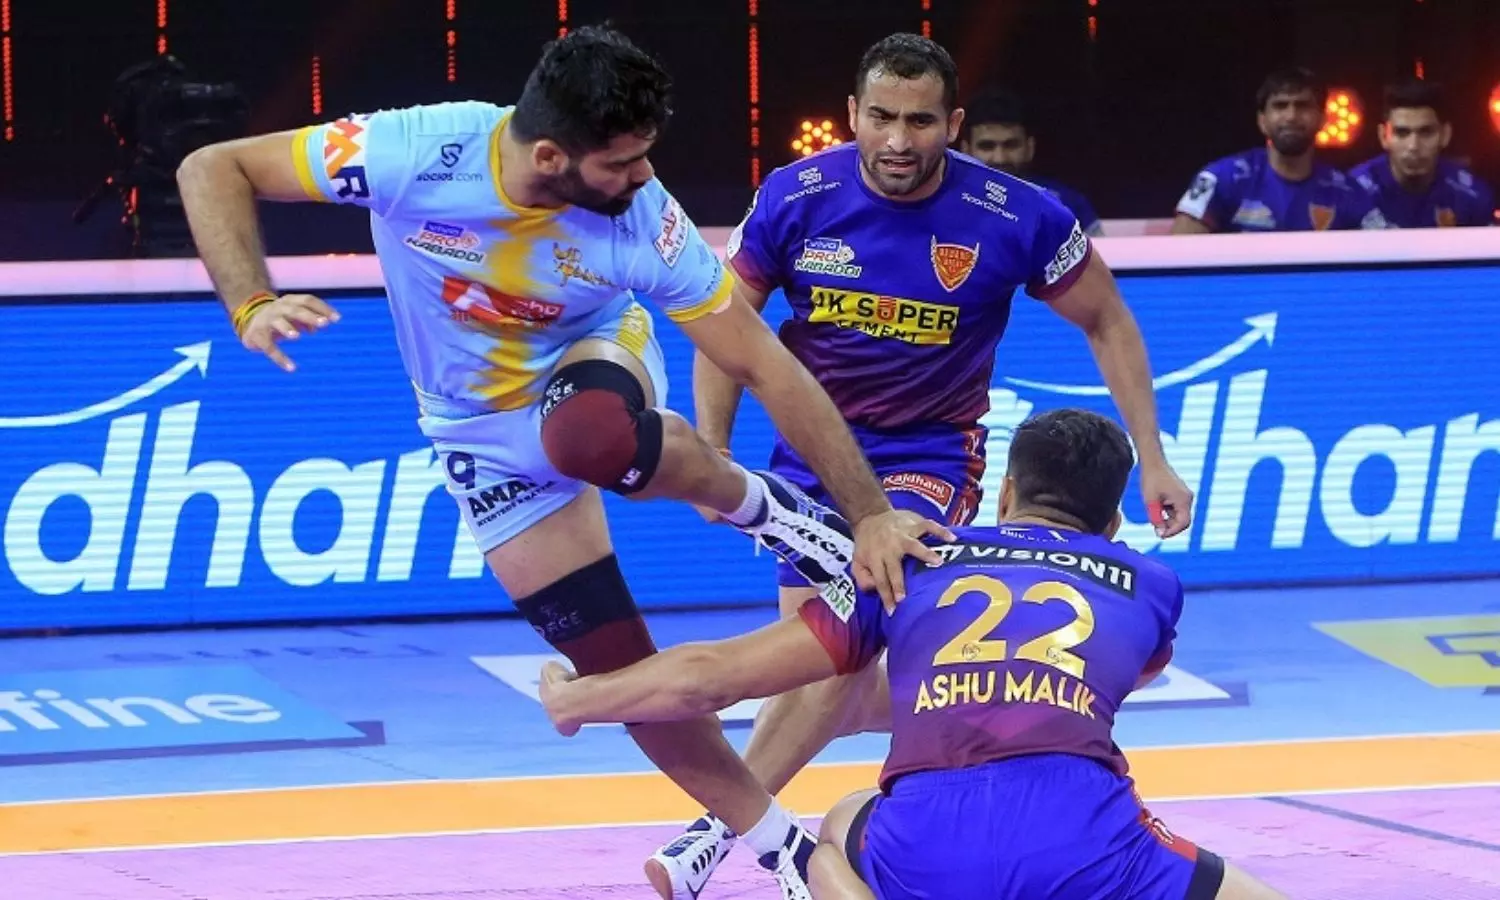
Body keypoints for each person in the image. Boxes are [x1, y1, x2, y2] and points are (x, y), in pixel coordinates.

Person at [174, 24, 950, 900]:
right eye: (623, 162)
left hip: (591, 366)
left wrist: (869, 513)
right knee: (619, 674)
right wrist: (251, 302)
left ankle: (768, 512)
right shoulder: (414, 153)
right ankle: (780, 850)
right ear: (551, 156)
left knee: (583, 436)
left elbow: (765, 363)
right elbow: (212, 167)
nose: (645, 177)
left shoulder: (644, 220)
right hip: (471, 430)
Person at [653, 31, 1196, 899]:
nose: (898, 140)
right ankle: (962, 722)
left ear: (954, 123)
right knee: (836, 674)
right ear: (852, 115)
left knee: (845, 640)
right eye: (881, 118)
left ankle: (717, 834)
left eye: (919, 121)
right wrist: (715, 456)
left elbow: (1107, 319)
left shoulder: (1018, 215)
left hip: (928, 458)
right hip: (809, 455)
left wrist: (1155, 459)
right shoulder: (796, 196)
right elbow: (728, 328)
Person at [540, 408, 1287, 900]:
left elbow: (711, 680)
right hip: (1086, 844)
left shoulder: (910, 560)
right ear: (1114, 522)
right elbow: (1127, 672)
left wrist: (579, 700)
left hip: (924, 845)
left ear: (1005, 495)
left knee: (836, 828)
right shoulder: (1152, 583)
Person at [1173, 67, 1387, 233]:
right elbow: (1181, 252)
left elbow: (1386, 251)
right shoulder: (1221, 178)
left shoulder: (1346, 191)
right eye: (1280, 106)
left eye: (1302, 105)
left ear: (1322, 119)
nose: (1291, 116)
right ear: (1262, 121)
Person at [1349, 78, 1495, 228]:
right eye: (1402, 133)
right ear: (1383, 136)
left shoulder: (1473, 197)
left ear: (1445, 135)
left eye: (1426, 133)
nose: (1413, 146)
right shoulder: (1353, 193)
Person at [958, 89, 1104, 236]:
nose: (1000, 158)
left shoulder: (1066, 204)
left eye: (1011, 145)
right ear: (966, 150)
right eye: (987, 146)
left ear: (1030, 147)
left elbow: (1099, 248)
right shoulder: (949, 202)